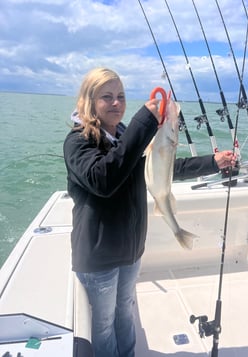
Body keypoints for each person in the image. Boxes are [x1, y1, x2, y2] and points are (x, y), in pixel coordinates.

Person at [63, 67, 236, 357]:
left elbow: (165, 168)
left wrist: (212, 162)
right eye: (107, 97)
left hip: (131, 252)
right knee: (104, 324)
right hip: (99, 257)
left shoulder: (126, 138)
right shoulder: (78, 142)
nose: (116, 103)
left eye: (121, 96)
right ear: (89, 101)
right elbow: (103, 179)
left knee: (126, 313)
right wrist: (143, 122)